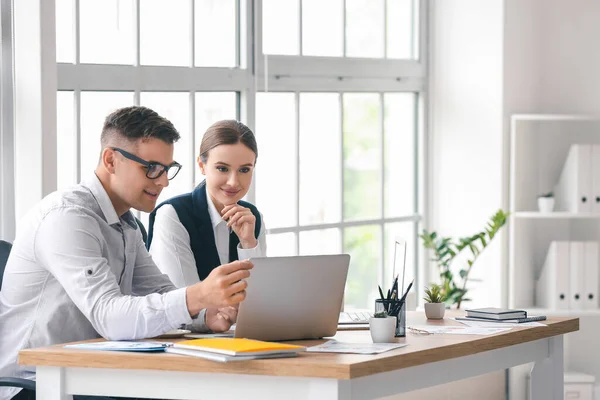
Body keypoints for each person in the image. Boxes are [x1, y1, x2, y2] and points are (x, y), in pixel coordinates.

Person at [0, 107, 252, 400]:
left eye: (167, 169)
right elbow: (109, 315)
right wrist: (198, 296)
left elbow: (157, 290)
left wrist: (206, 315)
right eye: (152, 167)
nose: (163, 182)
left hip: (88, 375)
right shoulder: (67, 218)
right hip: (34, 385)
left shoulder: (125, 223)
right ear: (111, 160)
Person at [148, 120, 265, 288]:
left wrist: (248, 243)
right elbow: (184, 301)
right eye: (222, 169)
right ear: (202, 166)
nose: (233, 182)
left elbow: (261, 296)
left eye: (244, 170)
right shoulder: (174, 215)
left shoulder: (253, 217)